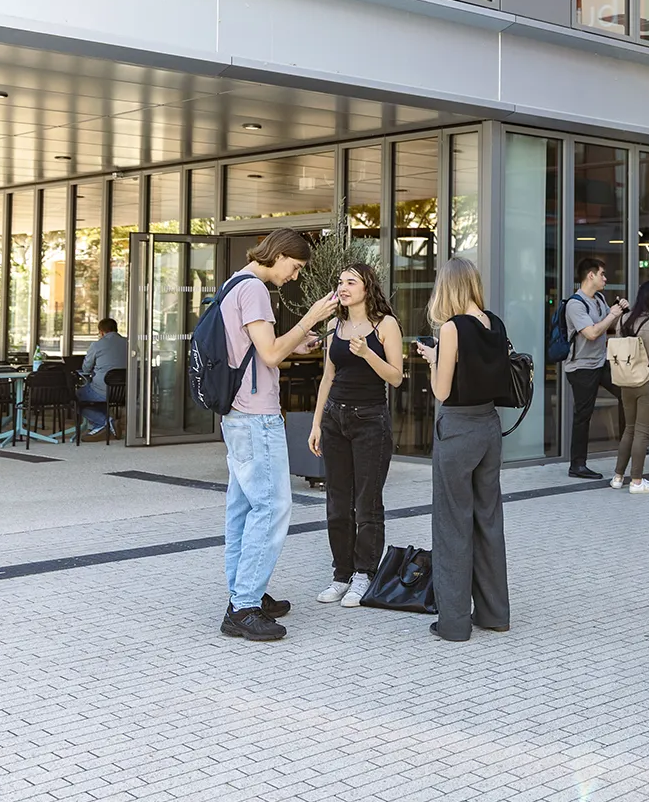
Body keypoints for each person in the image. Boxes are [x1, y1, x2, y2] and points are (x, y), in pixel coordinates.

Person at [218, 228, 341, 643]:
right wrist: (310, 319)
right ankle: (244, 607)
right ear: (280, 254)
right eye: (295, 266)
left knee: (243, 509)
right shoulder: (254, 289)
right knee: (272, 507)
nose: (294, 275)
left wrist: (295, 341)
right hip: (255, 417)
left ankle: (244, 593)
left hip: (237, 415)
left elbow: (260, 350)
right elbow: (269, 354)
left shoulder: (234, 282)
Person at [414, 257, 512, 642]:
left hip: (457, 430)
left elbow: (442, 391)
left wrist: (435, 358)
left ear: (448, 287)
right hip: (489, 428)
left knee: (452, 523)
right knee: (488, 519)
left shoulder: (452, 328)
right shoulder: (494, 322)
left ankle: (454, 623)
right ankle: (494, 614)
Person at [308, 262, 404, 606]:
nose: (343, 286)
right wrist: (317, 422)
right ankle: (341, 574)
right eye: (340, 280)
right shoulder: (336, 324)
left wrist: (366, 353)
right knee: (337, 504)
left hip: (370, 421)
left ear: (367, 288)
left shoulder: (385, 325)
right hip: (335, 418)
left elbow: (395, 377)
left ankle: (365, 574)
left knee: (367, 503)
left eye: (351, 281)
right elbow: (327, 377)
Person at [563, 256, 629, 480]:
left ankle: (627, 443)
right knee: (584, 414)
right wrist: (612, 314)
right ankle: (577, 465)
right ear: (590, 275)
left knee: (626, 392)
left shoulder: (599, 299)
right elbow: (591, 333)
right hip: (580, 367)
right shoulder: (575, 304)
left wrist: (619, 312)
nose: (605, 278)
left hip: (601, 362)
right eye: (602, 274)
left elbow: (605, 329)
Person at [610, 280, 649, 494]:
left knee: (629, 428)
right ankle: (636, 481)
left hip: (627, 380)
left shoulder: (625, 319)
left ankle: (618, 477)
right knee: (642, 432)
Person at [76, 317, 128, 437]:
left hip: (102, 390)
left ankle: (106, 423)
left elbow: (86, 369)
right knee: (96, 397)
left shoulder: (97, 345)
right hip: (124, 391)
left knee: (74, 397)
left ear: (101, 332)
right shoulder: (128, 343)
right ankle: (101, 427)